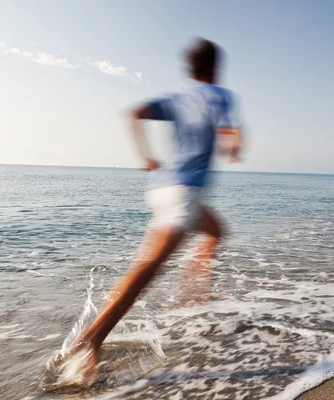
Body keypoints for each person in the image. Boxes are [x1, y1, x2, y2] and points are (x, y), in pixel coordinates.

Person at [71, 38, 242, 383]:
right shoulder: (220, 96)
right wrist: (234, 143)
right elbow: (230, 136)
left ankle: (196, 284)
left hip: (165, 189)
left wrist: (146, 156)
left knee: (217, 231)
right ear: (214, 68)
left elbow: (135, 113)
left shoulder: (178, 98)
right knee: (144, 272)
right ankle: (90, 340)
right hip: (183, 197)